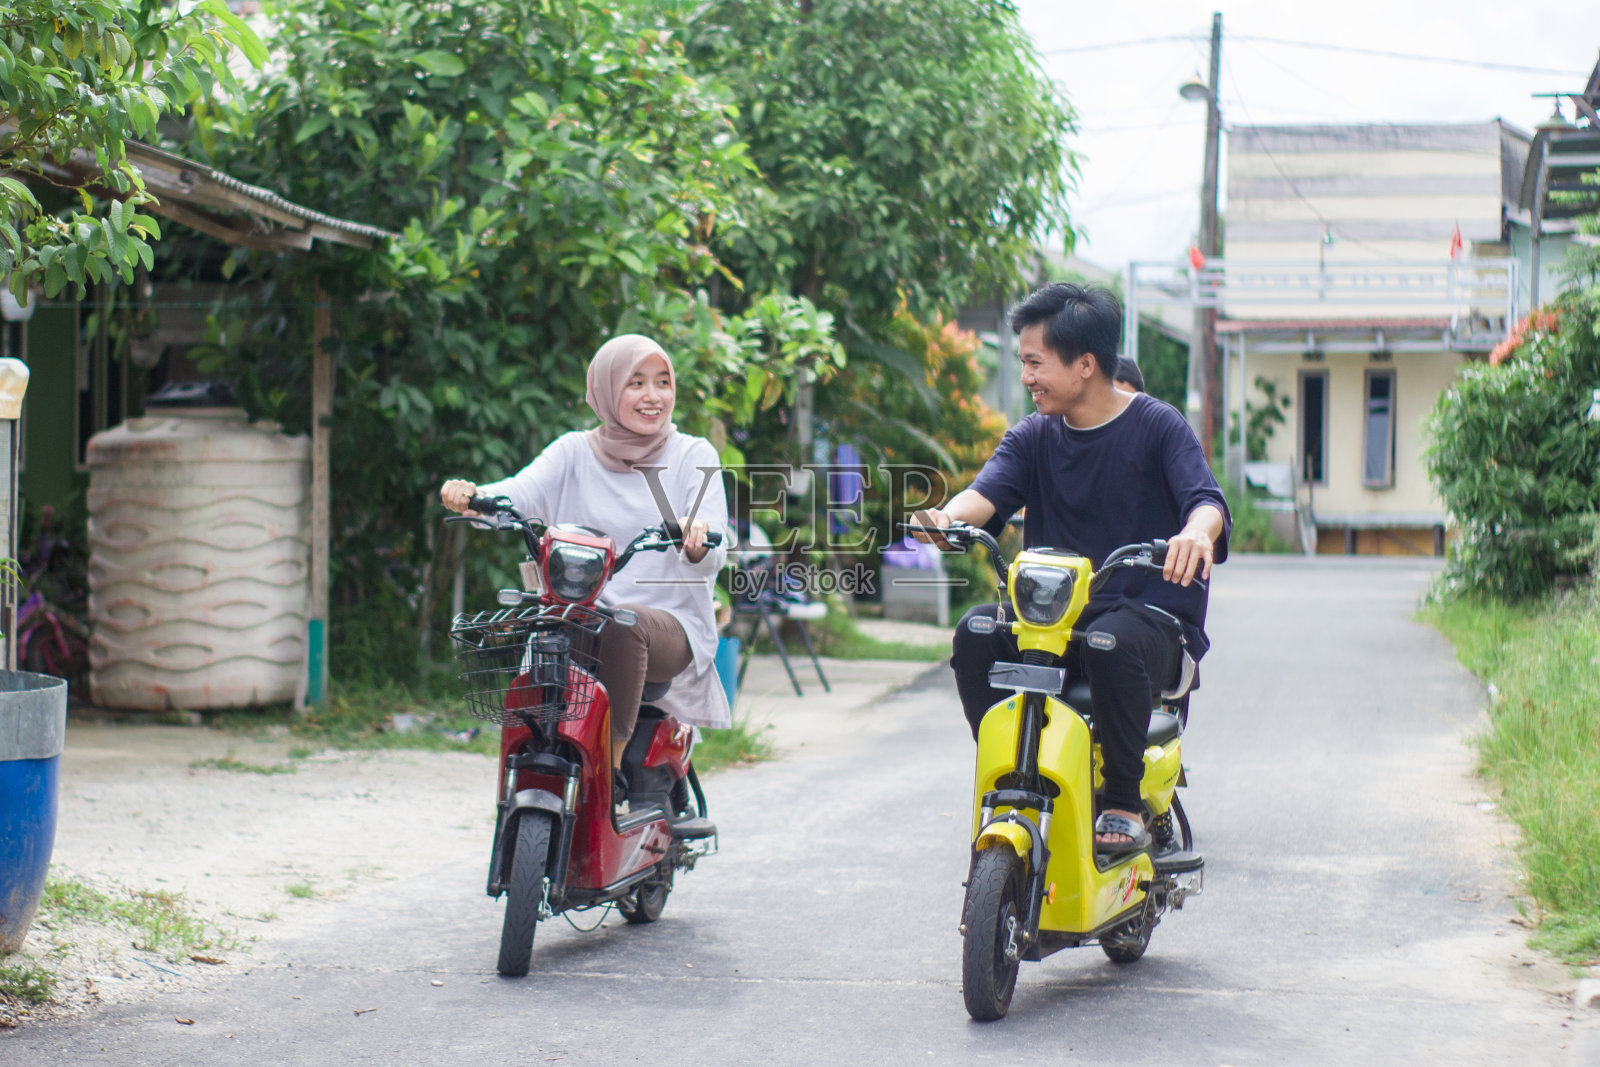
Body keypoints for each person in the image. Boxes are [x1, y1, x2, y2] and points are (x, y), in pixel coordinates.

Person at [913, 284, 1228, 854]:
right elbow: (982, 496)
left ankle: (1122, 803)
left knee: (1109, 639)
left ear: (1085, 364)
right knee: (976, 633)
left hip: (1145, 623)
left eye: (1036, 363)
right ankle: (1012, 775)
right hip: (1052, 625)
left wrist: (1193, 533)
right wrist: (945, 517)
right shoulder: (1033, 436)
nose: (1027, 376)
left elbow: (1207, 502)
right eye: (1024, 363)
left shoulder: (1159, 426)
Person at [440, 335, 731, 805]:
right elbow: (518, 493)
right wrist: (471, 495)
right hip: (577, 611)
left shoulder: (692, 455)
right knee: (542, 627)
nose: (652, 396)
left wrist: (698, 536)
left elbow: (716, 542)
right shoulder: (574, 452)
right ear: (606, 389)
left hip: (667, 625)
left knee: (624, 626)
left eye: (662, 382)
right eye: (635, 383)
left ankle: (607, 775)